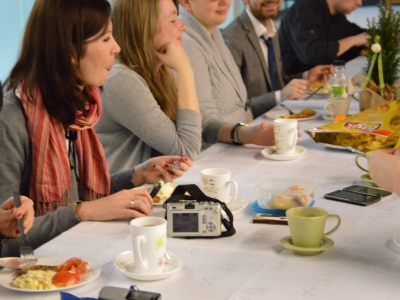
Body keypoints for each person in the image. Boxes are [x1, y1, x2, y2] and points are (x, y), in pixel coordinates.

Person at [0, 0, 192, 257]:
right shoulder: (12, 120)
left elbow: (82, 197)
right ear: (69, 51)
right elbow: (9, 237)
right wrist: (83, 212)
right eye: (105, 39)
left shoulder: (80, 107)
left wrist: (136, 176)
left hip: (75, 255)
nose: (116, 48)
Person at [97, 0, 202, 173]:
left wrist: (239, 132)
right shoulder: (122, 81)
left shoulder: (157, 70)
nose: (183, 26)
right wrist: (185, 72)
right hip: (120, 193)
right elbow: (187, 151)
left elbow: (194, 121)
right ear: (145, 27)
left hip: (148, 188)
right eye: (173, 20)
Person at [178, 0, 278, 148]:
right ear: (186, 2)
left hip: (237, 143)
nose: (225, 2)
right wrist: (248, 133)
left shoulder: (213, 32)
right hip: (217, 155)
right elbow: (205, 122)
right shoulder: (186, 43)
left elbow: (241, 103)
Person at [223, 0, 334, 118]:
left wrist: (307, 78)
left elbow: (276, 83)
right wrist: (280, 96)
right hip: (253, 129)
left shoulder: (271, 30)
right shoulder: (231, 39)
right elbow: (235, 108)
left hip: (279, 118)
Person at [279, 0, 370, 76]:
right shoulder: (304, 10)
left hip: (322, 84)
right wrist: (353, 40)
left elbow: (360, 34)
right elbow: (313, 54)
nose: (359, 3)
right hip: (293, 88)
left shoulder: (336, 16)